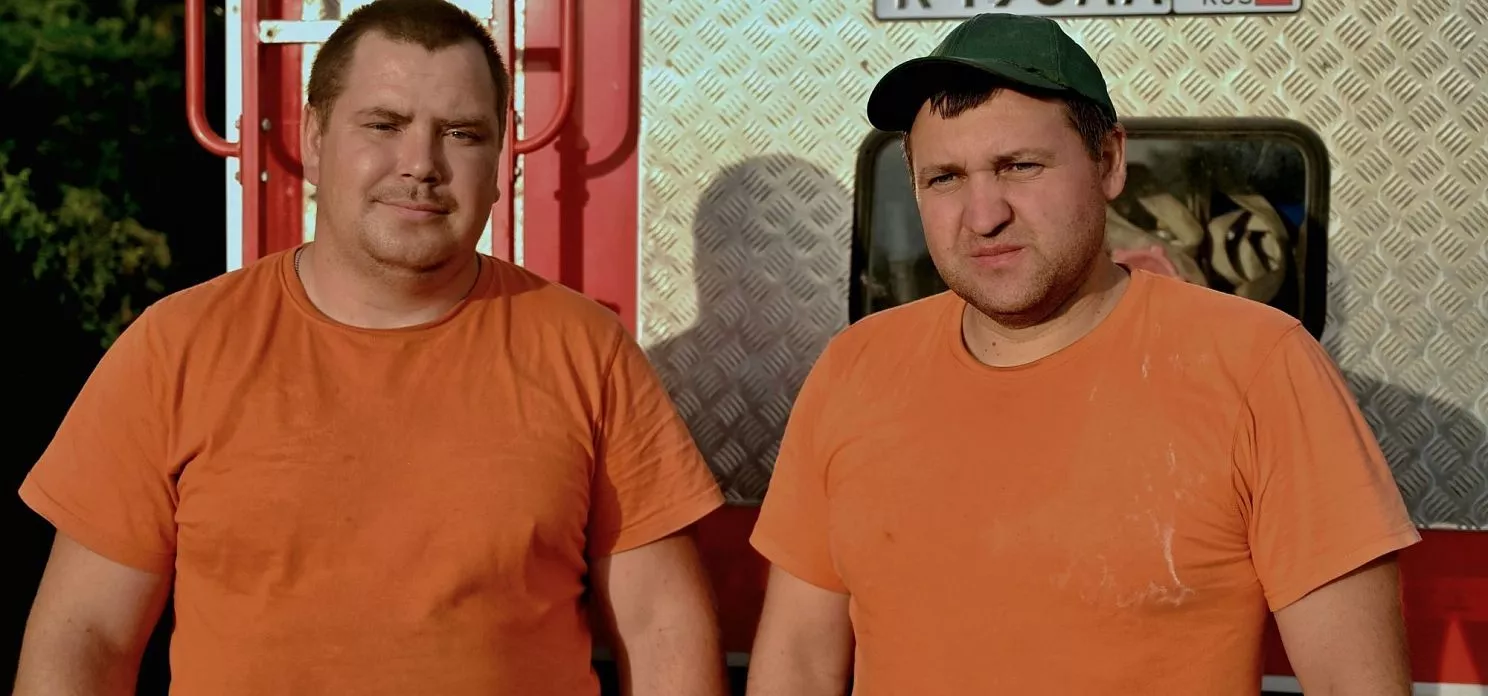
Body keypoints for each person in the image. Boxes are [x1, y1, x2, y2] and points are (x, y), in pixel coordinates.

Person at [14, 0, 727, 694]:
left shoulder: (588, 352)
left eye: (462, 133)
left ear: (502, 158)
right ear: (313, 137)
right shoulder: (175, 349)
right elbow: (87, 638)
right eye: (384, 125)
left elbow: (661, 629)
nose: (421, 164)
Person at [745, 13, 1419, 696]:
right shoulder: (856, 368)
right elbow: (798, 661)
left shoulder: (1258, 366)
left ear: (1109, 162)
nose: (984, 215)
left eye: (1020, 166)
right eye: (945, 178)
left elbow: (1352, 684)